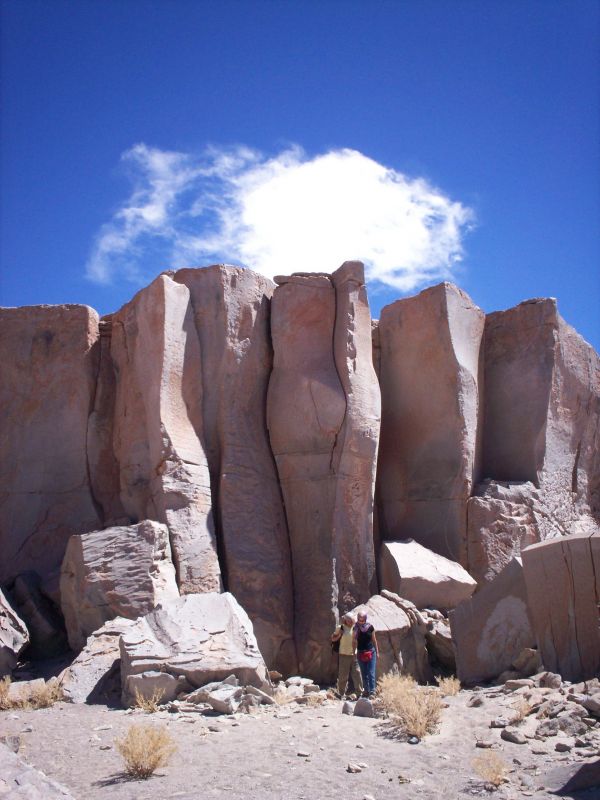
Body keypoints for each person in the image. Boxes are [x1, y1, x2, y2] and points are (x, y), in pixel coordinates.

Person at [331, 614, 363, 699]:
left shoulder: (356, 628)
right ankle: (341, 693)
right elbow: (333, 639)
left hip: (354, 655)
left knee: (357, 673)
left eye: (352, 621)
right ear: (346, 620)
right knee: (343, 674)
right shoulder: (340, 628)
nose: (351, 622)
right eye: (349, 621)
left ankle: (359, 693)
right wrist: (339, 635)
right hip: (344, 654)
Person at [353, 609, 379, 698]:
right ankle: (366, 691)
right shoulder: (355, 628)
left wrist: (377, 651)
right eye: (359, 619)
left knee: (371, 672)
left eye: (362, 619)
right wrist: (353, 652)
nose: (361, 621)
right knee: (364, 673)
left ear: (365, 619)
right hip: (360, 653)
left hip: (371, 652)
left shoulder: (370, 627)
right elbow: (354, 641)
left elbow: (374, 640)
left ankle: (372, 692)